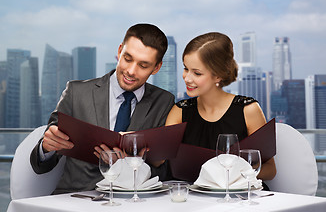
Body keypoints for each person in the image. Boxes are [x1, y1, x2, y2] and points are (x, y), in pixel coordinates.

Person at [30, 23, 175, 194]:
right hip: (75, 200)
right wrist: (46, 148)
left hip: (132, 204)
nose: (131, 71)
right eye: (127, 58)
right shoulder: (76, 93)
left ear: (156, 68)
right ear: (120, 51)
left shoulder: (164, 101)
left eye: (143, 66)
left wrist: (133, 165)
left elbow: (165, 173)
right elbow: (40, 165)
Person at [165, 32, 276, 186]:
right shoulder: (179, 111)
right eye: (185, 69)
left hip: (241, 198)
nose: (187, 78)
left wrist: (232, 174)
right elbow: (162, 160)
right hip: (196, 199)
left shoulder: (248, 110)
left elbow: (270, 170)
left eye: (197, 73)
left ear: (218, 76)